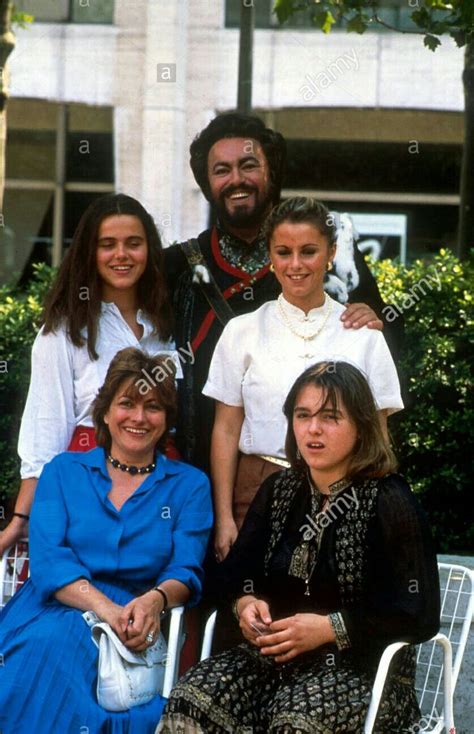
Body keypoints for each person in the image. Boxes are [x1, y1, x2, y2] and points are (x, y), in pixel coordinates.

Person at [157, 361, 440, 734]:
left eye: (331, 417)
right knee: (191, 697)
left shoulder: (389, 499)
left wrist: (330, 628)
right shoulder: (280, 491)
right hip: (275, 662)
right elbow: (232, 574)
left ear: (361, 426)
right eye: (302, 415)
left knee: (297, 723)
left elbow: (418, 612)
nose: (313, 429)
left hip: (365, 671)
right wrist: (245, 603)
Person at [163, 112, 401, 474]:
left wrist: (375, 319)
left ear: (271, 172)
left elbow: (385, 359)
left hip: (329, 475)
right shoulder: (177, 267)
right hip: (201, 479)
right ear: (207, 182)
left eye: (248, 165)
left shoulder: (335, 264)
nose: (236, 179)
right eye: (221, 170)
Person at [0, 348, 213, 733]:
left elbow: (187, 569)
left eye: (153, 407)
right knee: (51, 645)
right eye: (126, 403)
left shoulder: (190, 485)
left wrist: (154, 599)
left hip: (135, 618)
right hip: (51, 605)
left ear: (167, 419)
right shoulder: (63, 471)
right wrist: (106, 611)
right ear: (105, 410)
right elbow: (48, 561)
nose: (138, 417)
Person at [204, 197, 403, 562]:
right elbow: (226, 430)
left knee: (323, 611)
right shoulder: (241, 331)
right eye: (283, 252)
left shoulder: (364, 334)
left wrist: (376, 515)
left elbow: (378, 438)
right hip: (255, 491)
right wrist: (224, 518)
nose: (295, 265)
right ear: (270, 256)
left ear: (330, 254)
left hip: (343, 497)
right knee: (252, 608)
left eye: (309, 251)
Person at [0, 193, 177, 556]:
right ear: (88, 252)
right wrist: (22, 516)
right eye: (107, 245)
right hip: (88, 491)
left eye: (134, 243)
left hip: (163, 488)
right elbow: (45, 430)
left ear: (150, 249)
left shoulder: (166, 324)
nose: (121, 255)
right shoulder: (64, 331)